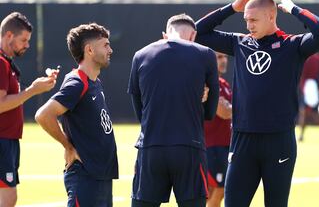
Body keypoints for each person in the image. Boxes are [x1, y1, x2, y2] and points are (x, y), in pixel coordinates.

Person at [195, 0, 319, 207]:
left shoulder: (292, 45)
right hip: (242, 140)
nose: (249, 25)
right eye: (246, 20)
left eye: (254, 20)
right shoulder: (239, 43)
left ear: (271, 16)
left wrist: (293, 8)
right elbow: (199, 31)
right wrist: (232, 7)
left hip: (279, 140)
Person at [128, 13, 219, 207]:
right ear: (193, 35)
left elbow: (139, 109)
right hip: (190, 147)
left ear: (165, 34)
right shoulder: (206, 54)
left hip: (151, 146)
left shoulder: (140, 54)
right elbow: (210, 112)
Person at [35, 23, 118, 206]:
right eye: (105, 45)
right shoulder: (78, 83)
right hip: (85, 176)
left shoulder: (93, 81)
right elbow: (43, 115)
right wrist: (69, 147)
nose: (110, 50)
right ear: (89, 50)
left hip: (100, 175)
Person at [0, 12, 58, 206]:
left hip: (8, 140)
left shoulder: (6, 62)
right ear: (9, 35)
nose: (27, 45)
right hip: (2, 140)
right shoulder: (0, 63)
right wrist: (33, 90)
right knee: (8, 198)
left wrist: (37, 86)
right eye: (23, 40)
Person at [204, 52, 232, 207]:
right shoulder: (209, 83)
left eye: (225, 57)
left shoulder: (223, 83)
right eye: (219, 57)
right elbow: (224, 112)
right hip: (212, 147)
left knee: (218, 192)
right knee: (216, 190)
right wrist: (241, 108)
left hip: (224, 145)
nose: (224, 60)